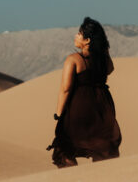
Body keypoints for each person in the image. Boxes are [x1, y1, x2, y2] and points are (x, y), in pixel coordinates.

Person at [47, 17, 122, 168]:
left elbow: (66, 88)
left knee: (65, 147)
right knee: (101, 148)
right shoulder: (103, 61)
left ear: (87, 40)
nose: (75, 36)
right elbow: (110, 69)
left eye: (79, 34)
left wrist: (59, 113)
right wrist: (103, 49)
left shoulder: (74, 59)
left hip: (79, 108)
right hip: (102, 108)